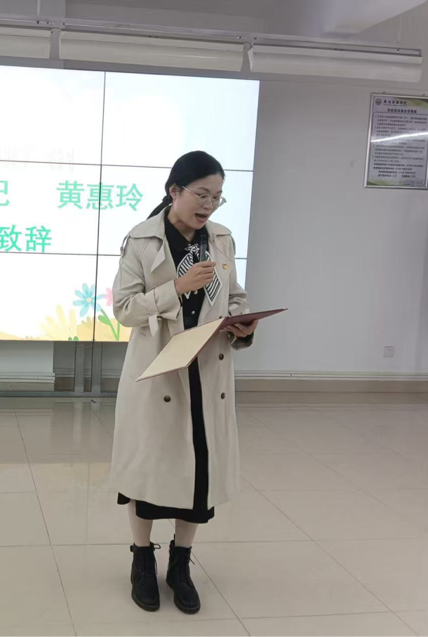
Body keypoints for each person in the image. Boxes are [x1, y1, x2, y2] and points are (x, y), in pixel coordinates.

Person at [111, 150, 256, 614]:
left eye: (217, 197)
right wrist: (176, 287)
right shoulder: (142, 240)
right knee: (149, 469)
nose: (209, 205)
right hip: (159, 370)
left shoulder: (221, 239)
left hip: (205, 370)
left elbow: (234, 296)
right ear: (174, 191)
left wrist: (242, 322)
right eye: (201, 195)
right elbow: (124, 310)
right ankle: (141, 561)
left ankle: (180, 564)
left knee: (198, 472)